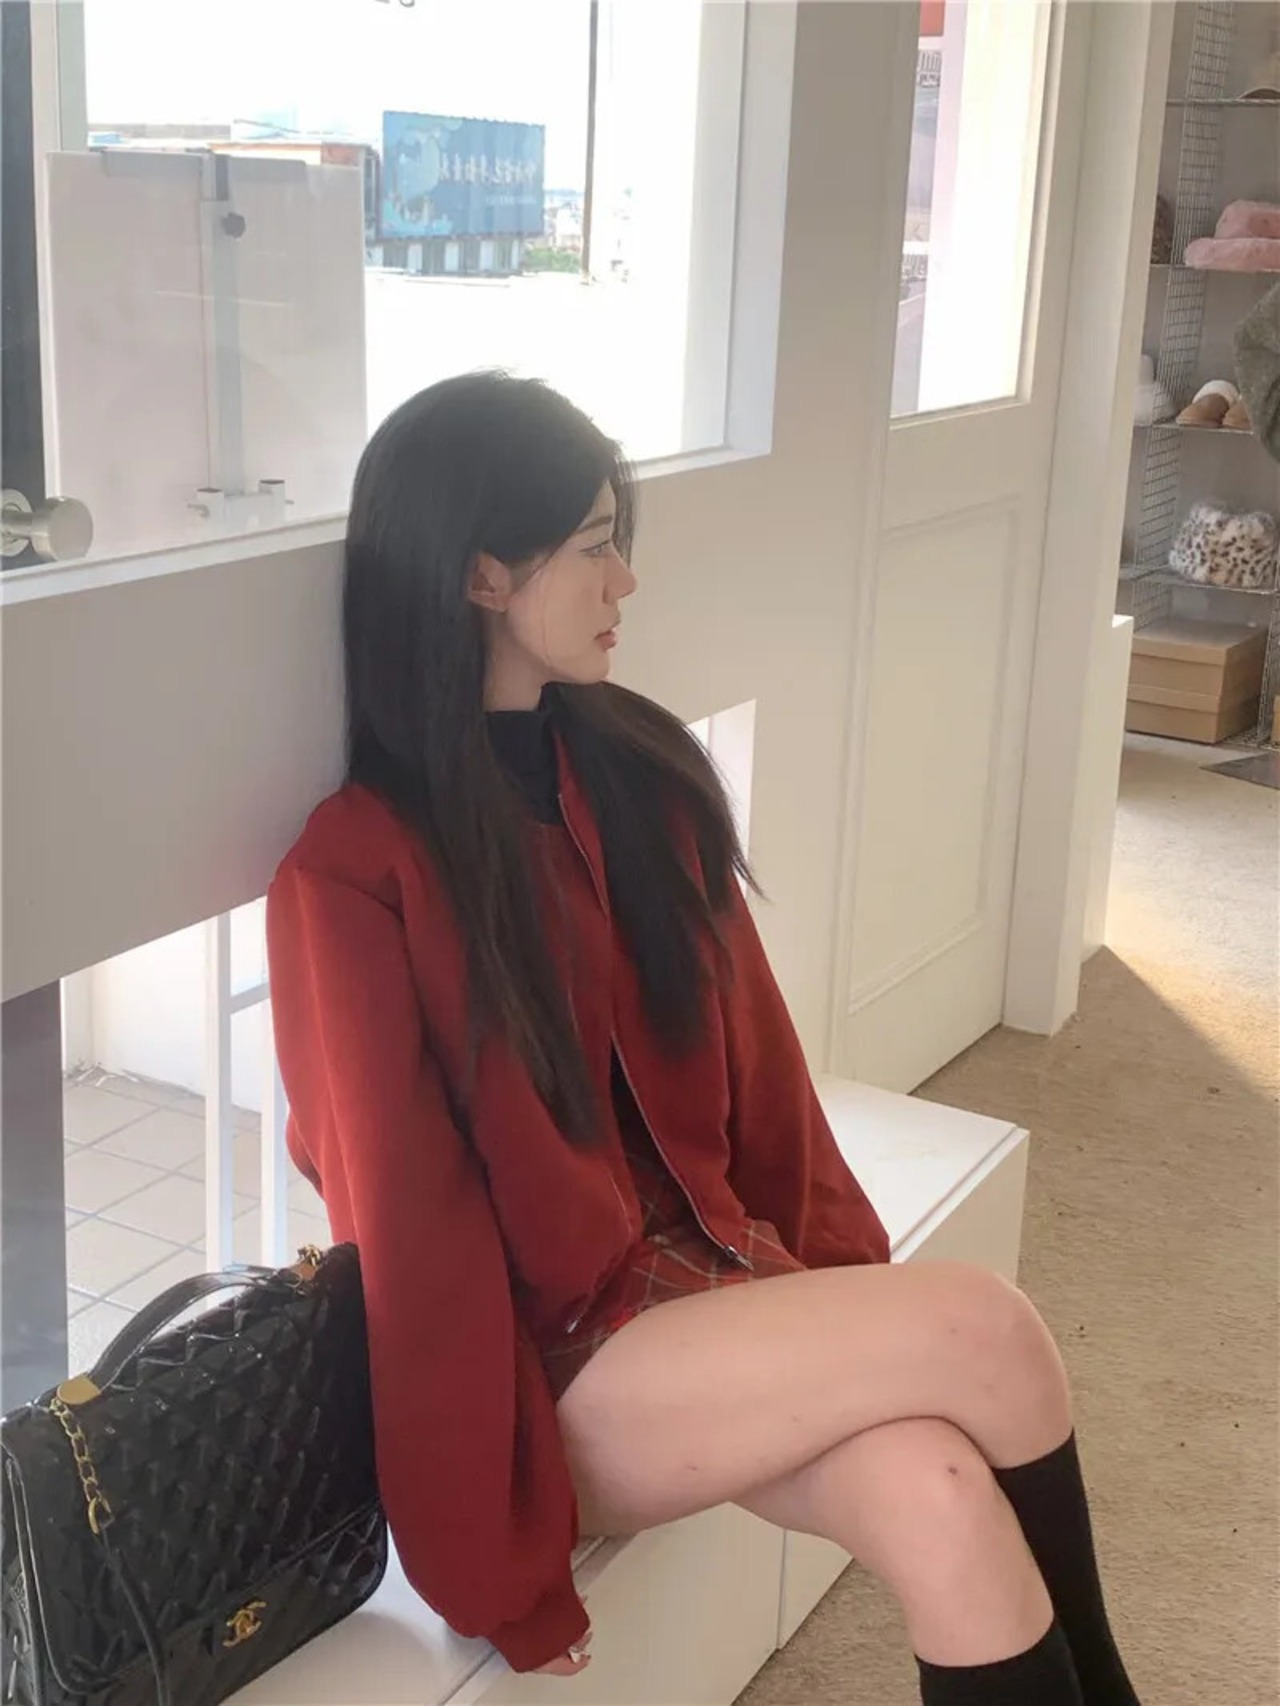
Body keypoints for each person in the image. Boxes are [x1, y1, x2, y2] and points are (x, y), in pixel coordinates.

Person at [266, 373, 1142, 1706]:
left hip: (718, 1279)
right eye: (594, 545)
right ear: (483, 574)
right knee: (986, 1326)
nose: (625, 580)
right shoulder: (356, 873)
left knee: (940, 1490)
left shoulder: (634, 768)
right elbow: (406, 1231)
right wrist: (497, 1559)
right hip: (566, 1368)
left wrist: (841, 1296)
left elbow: (763, 1074)